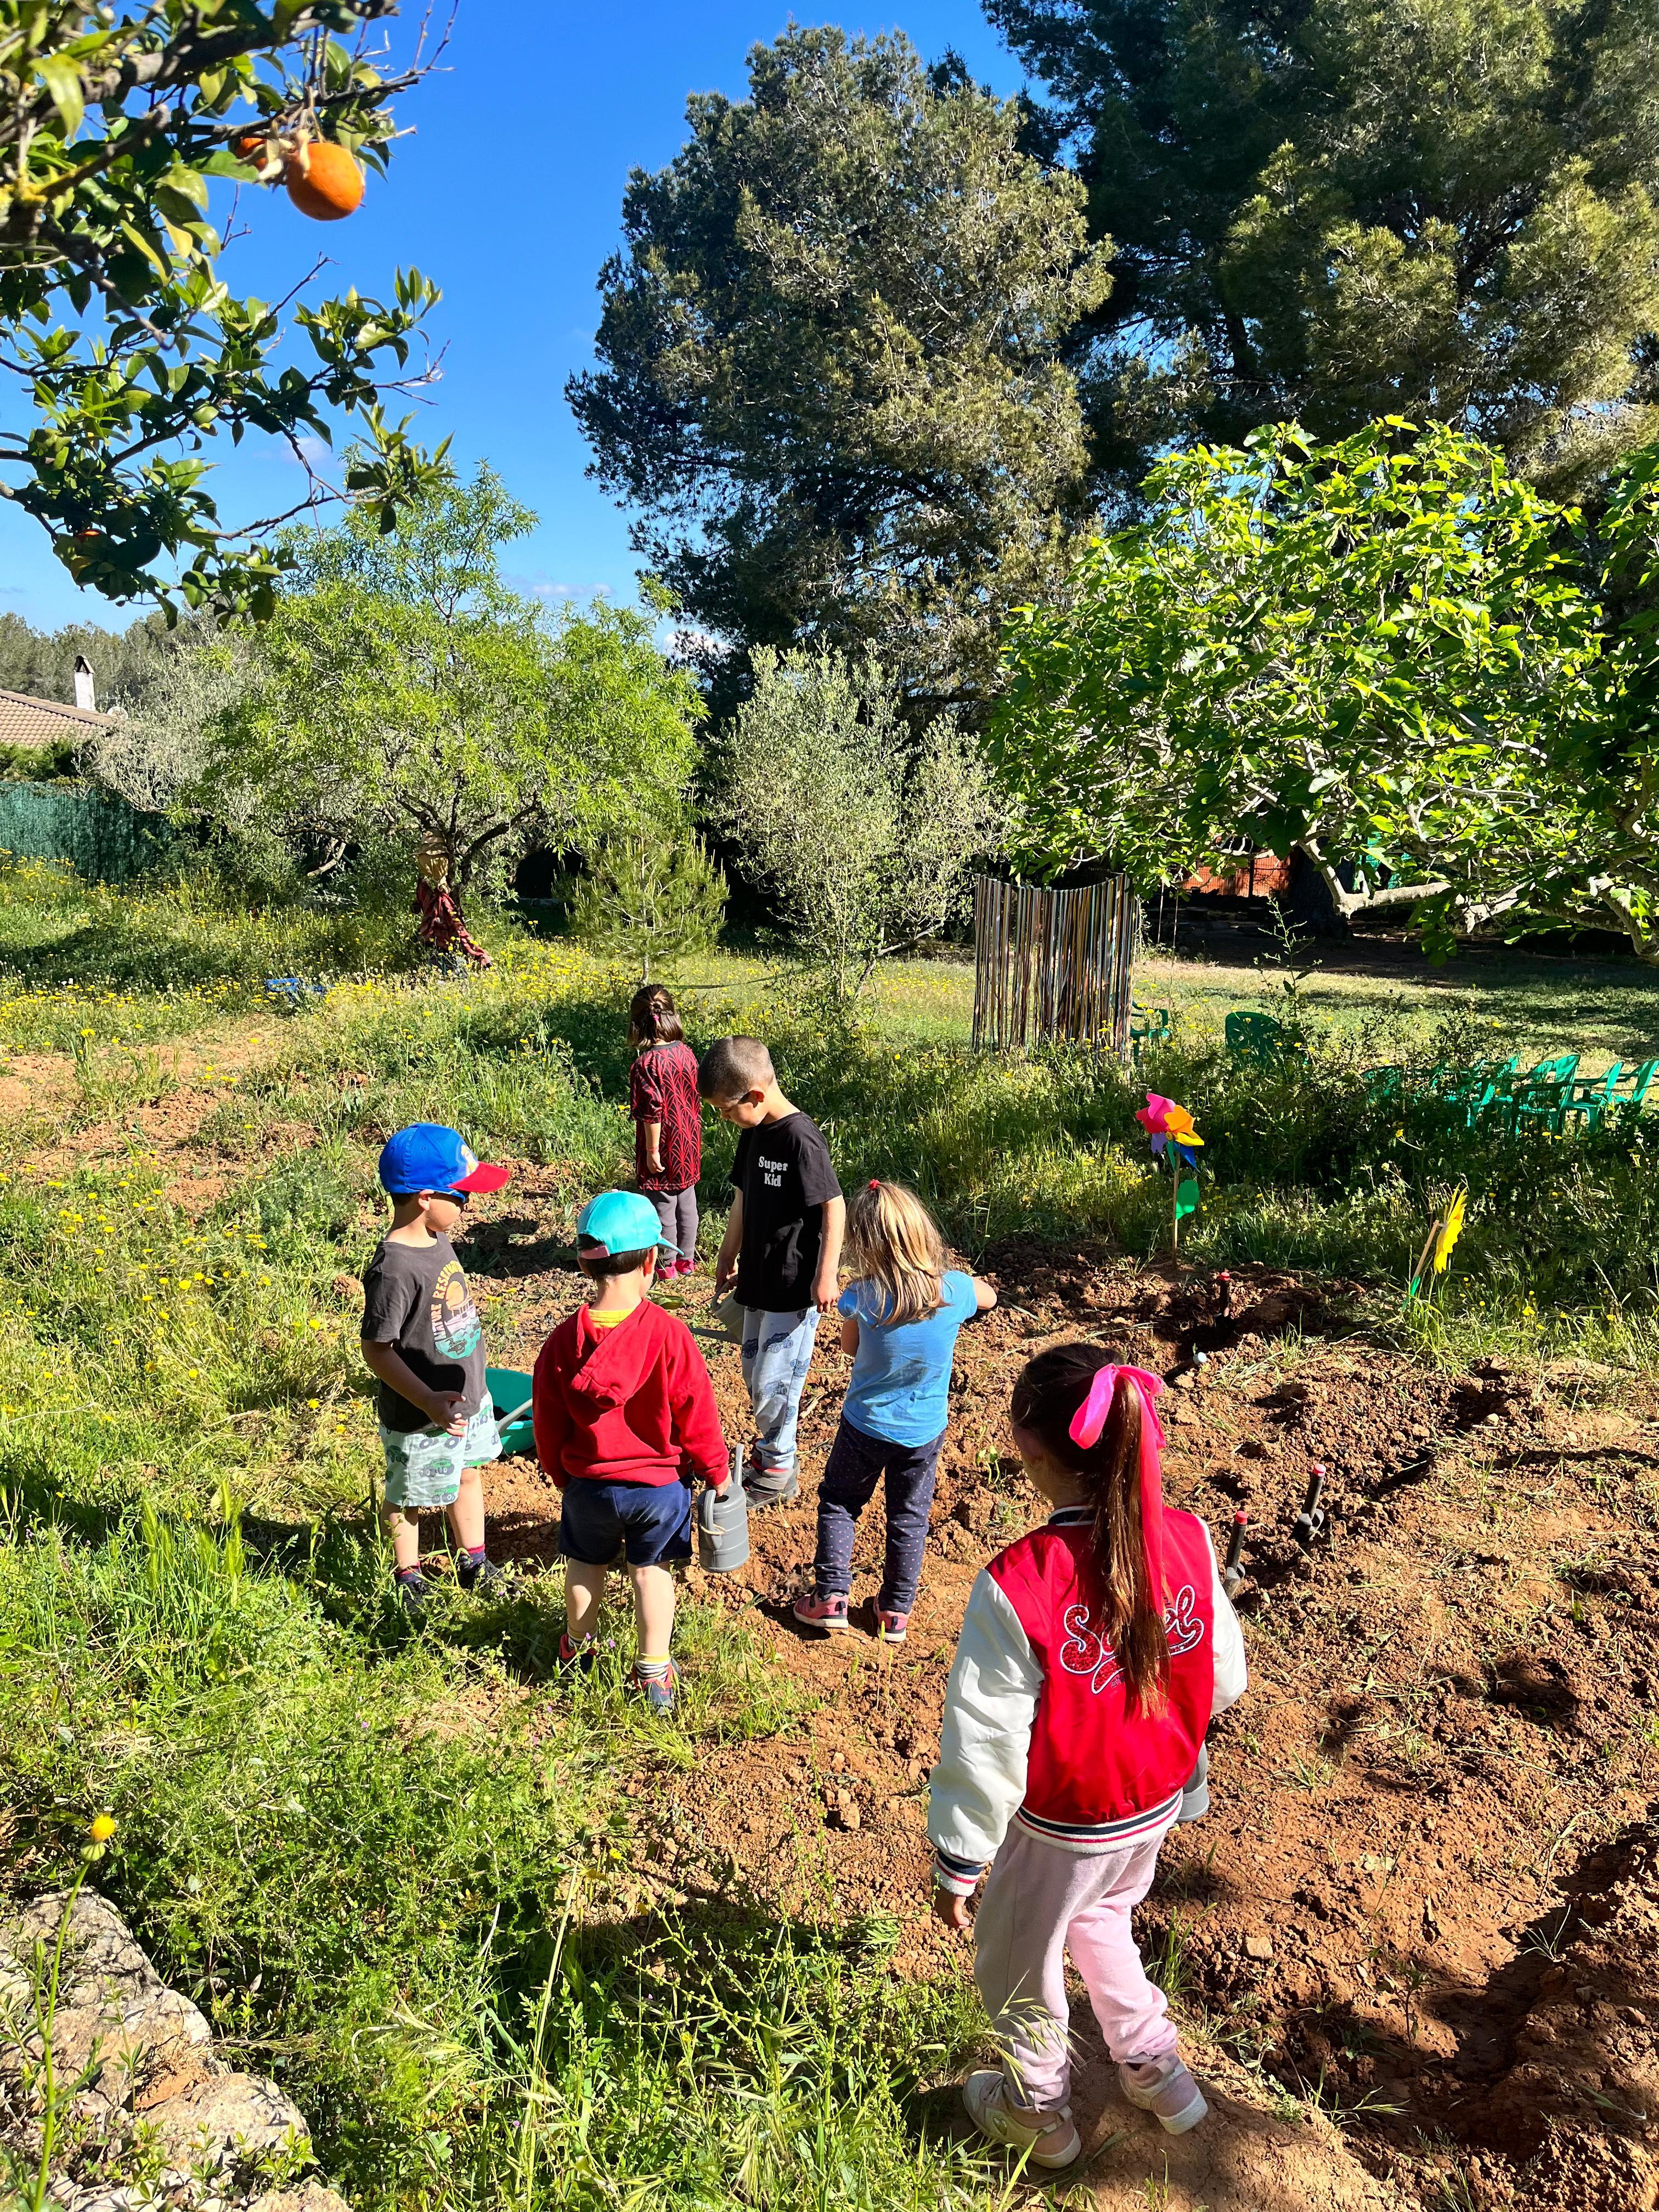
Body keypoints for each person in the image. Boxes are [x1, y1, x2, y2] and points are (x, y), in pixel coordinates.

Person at [929, 1345, 1247, 2170]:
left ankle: (1038, 2112)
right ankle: (1157, 2067)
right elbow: (1223, 1675)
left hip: (1062, 1825)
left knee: (1016, 1959)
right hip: (1153, 1803)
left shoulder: (1021, 1581)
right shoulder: (1190, 1539)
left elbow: (986, 1734)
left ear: (1030, 1451)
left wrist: (961, 1855)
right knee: (1105, 1917)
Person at [531, 1189, 730, 1714]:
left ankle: (576, 1648)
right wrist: (716, 1472)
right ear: (649, 1261)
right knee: (651, 1572)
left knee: (585, 1566)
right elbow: (696, 1413)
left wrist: (561, 1476)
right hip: (659, 1488)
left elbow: (547, 1422)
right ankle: (653, 1673)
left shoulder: (561, 1343)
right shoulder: (669, 1335)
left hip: (589, 1485)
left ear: (584, 1262)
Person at [793, 1180, 995, 1644]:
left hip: (864, 1425)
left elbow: (849, 1348)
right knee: (909, 1517)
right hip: (924, 1432)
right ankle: (895, 1612)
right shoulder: (954, 1291)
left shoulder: (862, 1296)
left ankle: (830, 1598)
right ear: (923, 1233)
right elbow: (990, 1298)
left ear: (866, 1245)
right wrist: (962, 1289)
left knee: (841, 1502)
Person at [360, 1124, 512, 1610]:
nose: (469, 1204)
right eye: (462, 1196)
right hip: (421, 1415)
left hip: (465, 1398)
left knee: (467, 1475)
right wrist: (425, 1398)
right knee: (409, 1496)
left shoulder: (435, 1236)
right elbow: (377, 1349)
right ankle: (408, 1575)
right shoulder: (394, 1268)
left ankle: (474, 1560)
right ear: (426, 1197)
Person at [699, 1036, 845, 1509]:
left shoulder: (800, 1139)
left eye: (726, 1109)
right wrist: (728, 1253)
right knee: (753, 1369)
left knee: (775, 1381)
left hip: (793, 1286)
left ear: (756, 1095)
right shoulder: (754, 1131)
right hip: (758, 1278)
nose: (723, 1119)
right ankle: (772, 1451)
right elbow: (743, 1196)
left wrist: (827, 1275)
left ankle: (780, 1465)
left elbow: (834, 1208)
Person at [628, 983, 702, 1276]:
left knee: (663, 1203)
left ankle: (668, 1264)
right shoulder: (686, 1052)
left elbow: (653, 1112)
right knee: (687, 1201)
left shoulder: (645, 1065)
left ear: (637, 1024)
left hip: (664, 1143)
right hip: (690, 1139)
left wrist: (652, 1150)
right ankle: (688, 1260)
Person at [413, 840, 491, 973]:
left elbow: (456, 926)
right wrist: (477, 952)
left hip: (437, 945)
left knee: (442, 977)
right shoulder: (435, 894)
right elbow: (458, 928)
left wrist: (477, 952)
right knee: (452, 978)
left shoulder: (426, 889)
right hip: (441, 946)